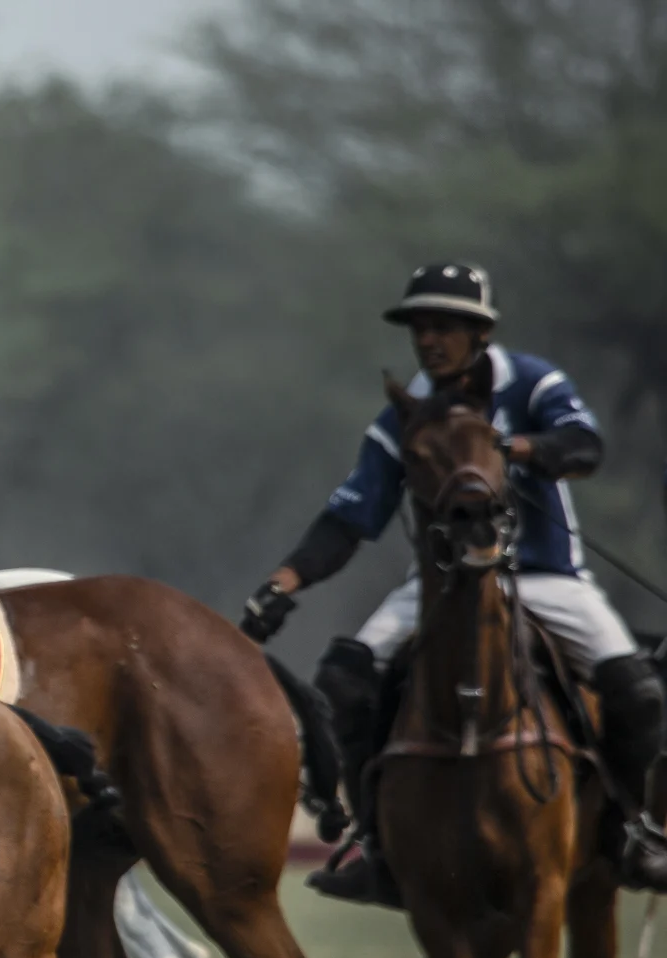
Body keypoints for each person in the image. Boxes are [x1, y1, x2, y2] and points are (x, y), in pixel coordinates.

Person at [238, 262, 667, 900]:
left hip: (547, 577)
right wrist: (283, 583)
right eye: (419, 328)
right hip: (440, 584)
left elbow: (584, 448)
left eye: (443, 327)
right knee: (343, 682)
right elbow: (350, 519)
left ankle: (637, 832)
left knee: (636, 691)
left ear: (478, 332)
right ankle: (376, 840)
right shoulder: (403, 416)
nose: (428, 340)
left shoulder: (532, 382)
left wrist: (514, 449)